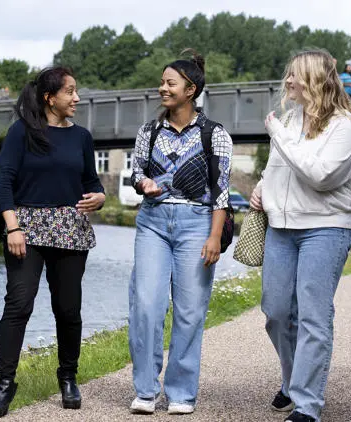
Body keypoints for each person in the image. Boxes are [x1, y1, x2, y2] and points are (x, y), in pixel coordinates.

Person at [0, 67, 106, 417]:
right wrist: (12, 227)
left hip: (70, 229)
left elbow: (92, 182)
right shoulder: (21, 132)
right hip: (27, 228)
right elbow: (4, 180)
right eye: (70, 91)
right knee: (19, 304)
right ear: (49, 97)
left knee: (68, 308)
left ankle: (68, 378)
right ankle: (4, 387)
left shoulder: (81, 137)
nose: (77, 98)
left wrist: (99, 198)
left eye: (76, 91)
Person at [250, 50, 351, 422]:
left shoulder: (342, 126)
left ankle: (308, 404)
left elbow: (320, 176)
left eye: (295, 76)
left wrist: (279, 134)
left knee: (314, 316)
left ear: (313, 79)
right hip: (282, 228)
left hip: (325, 228)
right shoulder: (290, 118)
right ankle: (292, 380)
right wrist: (262, 186)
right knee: (276, 313)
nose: (288, 82)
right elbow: (279, 168)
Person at [128, 49, 233, 415]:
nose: (162, 88)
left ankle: (181, 393)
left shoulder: (215, 134)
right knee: (146, 306)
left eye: (169, 83)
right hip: (153, 222)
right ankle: (145, 389)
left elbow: (221, 192)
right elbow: (136, 173)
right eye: (162, 82)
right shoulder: (149, 130)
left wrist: (215, 237)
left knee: (189, 312)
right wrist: (145, 184)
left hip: (197, 224)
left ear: (190, 90)